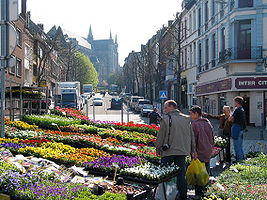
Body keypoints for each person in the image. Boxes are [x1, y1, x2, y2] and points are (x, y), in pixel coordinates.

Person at [155, 100, 195, 200]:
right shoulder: (186, 119)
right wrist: (193, 150)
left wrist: (158, 149)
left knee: (164, 174)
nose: (164, 110)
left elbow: (160, 136)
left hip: (168, 151)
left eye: (166, 107)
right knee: (181, 175)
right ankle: (183, 196)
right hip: (182, 151)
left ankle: (166, 195)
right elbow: (191, 136)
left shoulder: (165, 119)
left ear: (172, 107)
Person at [189, 106, 214, 199]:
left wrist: (193, 151)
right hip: (207, 151)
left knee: (198, 172)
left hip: (198, 152)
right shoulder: (208, 123)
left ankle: (199, 193)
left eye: (191, 113)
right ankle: (205, 190)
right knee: (206, 170)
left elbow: (193, 139)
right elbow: (212, 137)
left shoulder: (195, 124)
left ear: (196, 114)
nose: (190, 115)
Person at [229, 96, 246, 162]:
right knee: (240, 146)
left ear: (237, 102)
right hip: (240, 129)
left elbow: (230, 119)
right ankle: (242, 159)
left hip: (237, 129)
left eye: (234, 102)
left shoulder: (237, 110)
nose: (234, 103)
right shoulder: (242, 109)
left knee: (237, 147)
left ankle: (239, 161)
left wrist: (231, 113)